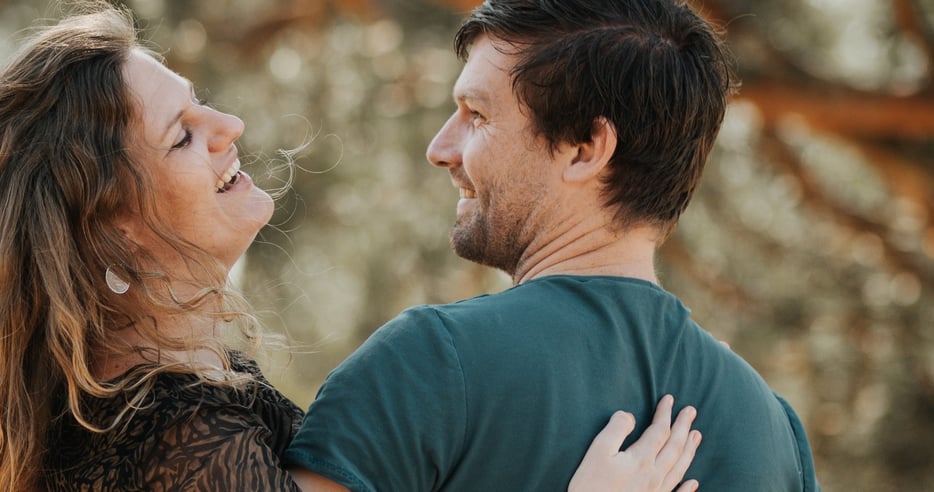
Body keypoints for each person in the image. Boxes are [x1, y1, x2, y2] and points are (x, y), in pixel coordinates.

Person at [0, 5, 706, 491]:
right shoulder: (183, 440)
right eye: (182, 135)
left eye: (201, 104)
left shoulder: (139, 410)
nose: (228, 125)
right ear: (113, 231)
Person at [282, 0, 822, 490]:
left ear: (586, 149)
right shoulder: (775, 431)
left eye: (478, 116)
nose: (440, 148)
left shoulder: (428, 363)